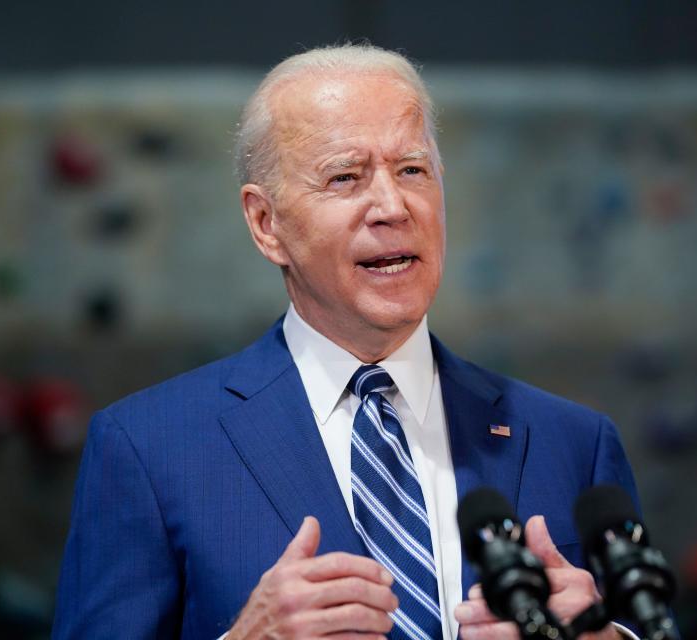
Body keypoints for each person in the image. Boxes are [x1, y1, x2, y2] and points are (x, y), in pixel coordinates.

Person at [53, 44, 640, 640]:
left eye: (412, 170)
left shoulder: (573, 444)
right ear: (266, 224)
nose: (392, 206)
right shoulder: (151, 450)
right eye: (345, 177)